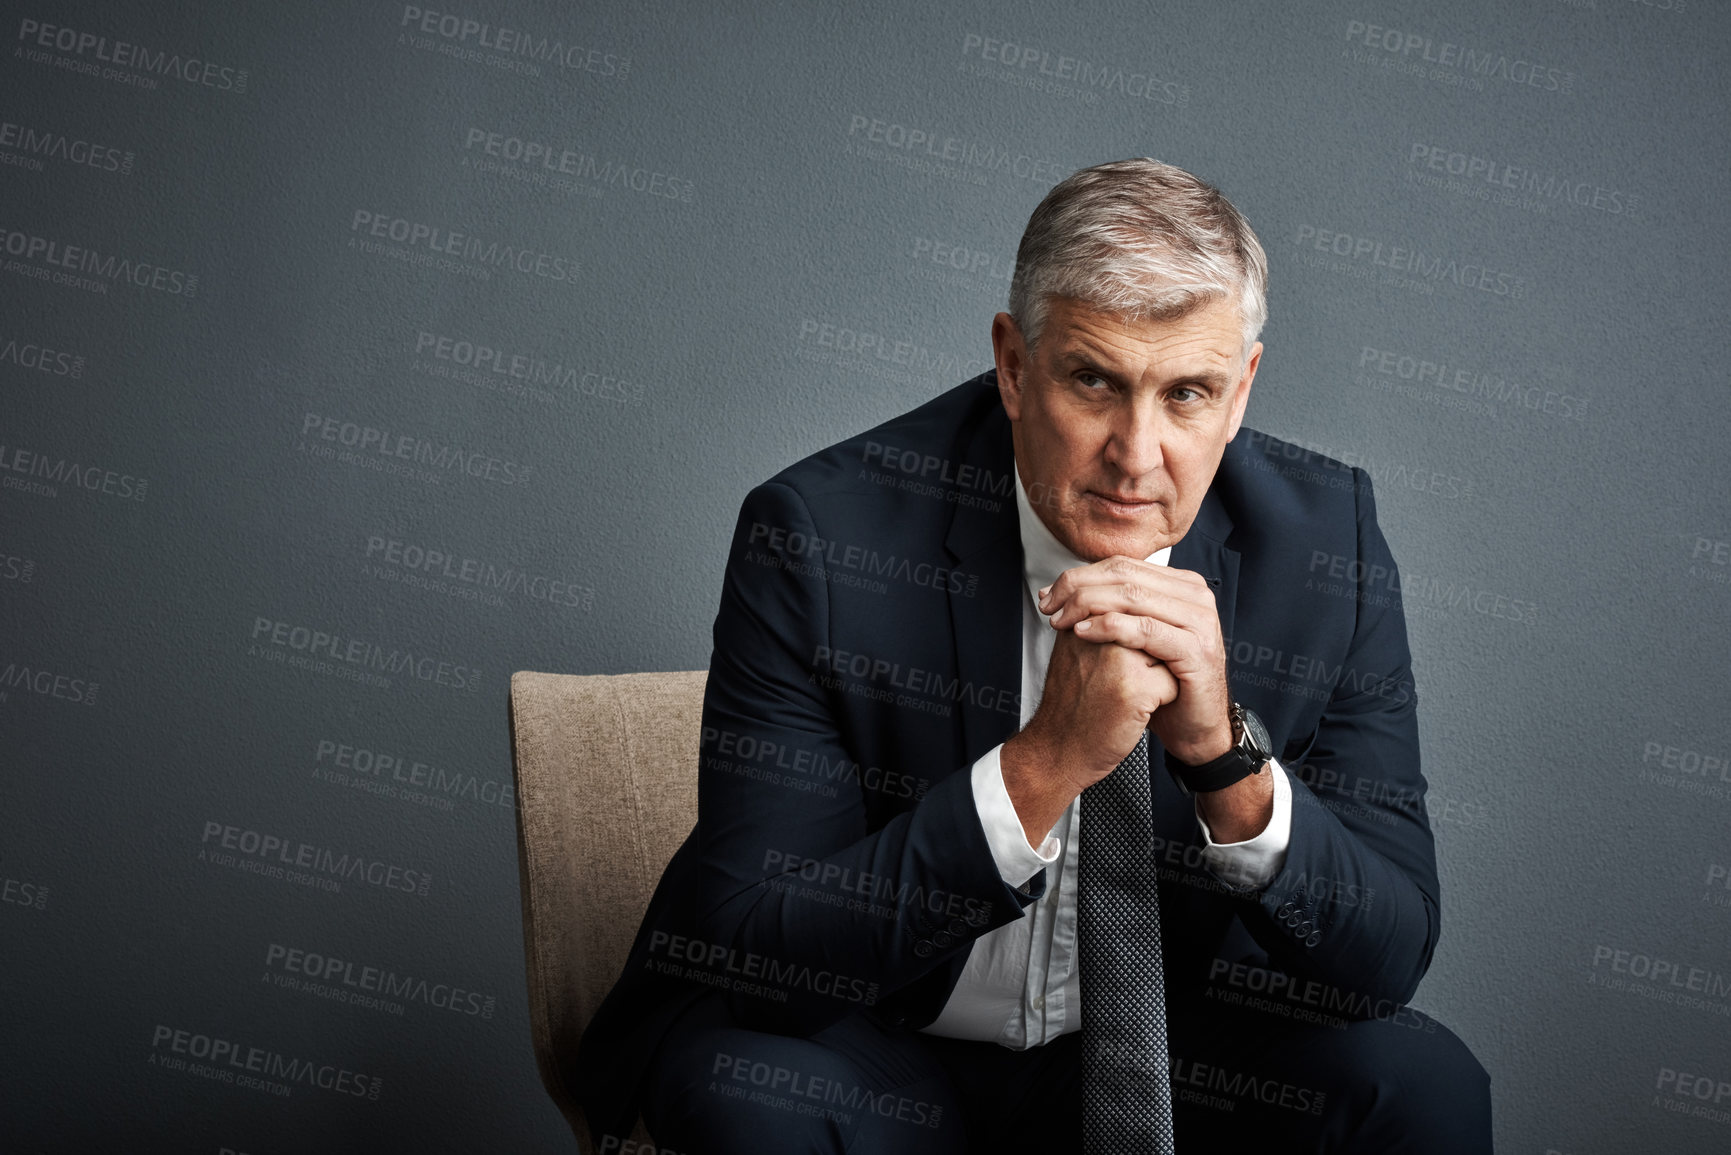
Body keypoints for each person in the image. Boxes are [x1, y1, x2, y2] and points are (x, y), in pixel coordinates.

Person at [575, 158, 1492, 1152]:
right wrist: (1043, 766)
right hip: (883, 1037)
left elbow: (1383, 957)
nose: (1137, 456)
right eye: (1094, 381)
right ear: (1015, 366)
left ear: (1241, 393)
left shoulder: (1326, 549)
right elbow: (762, 956)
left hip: (1178, 1054)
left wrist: (1225, 757)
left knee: (1419, 1084)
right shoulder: (819, 539)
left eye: (1188, 393)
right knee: (746, 1096)